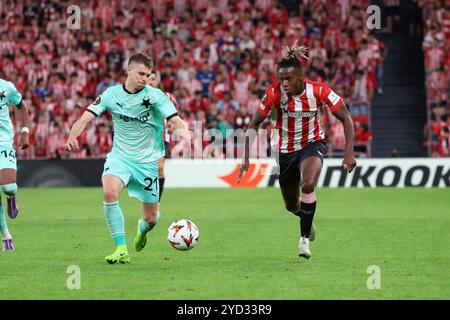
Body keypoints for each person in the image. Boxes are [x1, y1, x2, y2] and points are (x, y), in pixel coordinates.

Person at [64, 54, 190, 264]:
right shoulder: (111, 94)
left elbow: (176, 120)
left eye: (148, 75)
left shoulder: (156, 96)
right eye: (141, 73)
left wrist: (184, 133)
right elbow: (85, 118)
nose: (144, 78)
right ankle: (121, 248)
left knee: (151, 218)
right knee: (109, 192)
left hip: (147, 162)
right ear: (129, 70)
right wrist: (72, 136)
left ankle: (143, 229)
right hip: (120, 157)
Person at [238, 43, 356, 259]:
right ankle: (306, 220)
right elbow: (253, 125)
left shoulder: (319, 90)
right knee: (291, 205)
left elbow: (346, 117)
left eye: (288, 79)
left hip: (312, 144)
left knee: (308, 182)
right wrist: (245, 159)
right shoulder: (273, 94)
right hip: (285, 151)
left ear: (301, 77)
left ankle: (303, 240)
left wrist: (349, 152)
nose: (283, 83)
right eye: (281, 78)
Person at [0, 78, 31, 252]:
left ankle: (12, 197)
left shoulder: (6, 87)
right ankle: (6, 237)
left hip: (3, 142)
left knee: (8, 187)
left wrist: (24, 131)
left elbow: (21, 106)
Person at [147, 70, 179, 201]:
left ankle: (156, 201)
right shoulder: (137, 98)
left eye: (153, 78)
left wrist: (172, 124)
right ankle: (148, 198)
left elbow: (175, 114)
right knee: (148, 170)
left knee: (160, 168)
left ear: (157, 81)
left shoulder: (167, 97)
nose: (150, 81)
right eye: (148, 78)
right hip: (143, 139)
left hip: (161, 137)